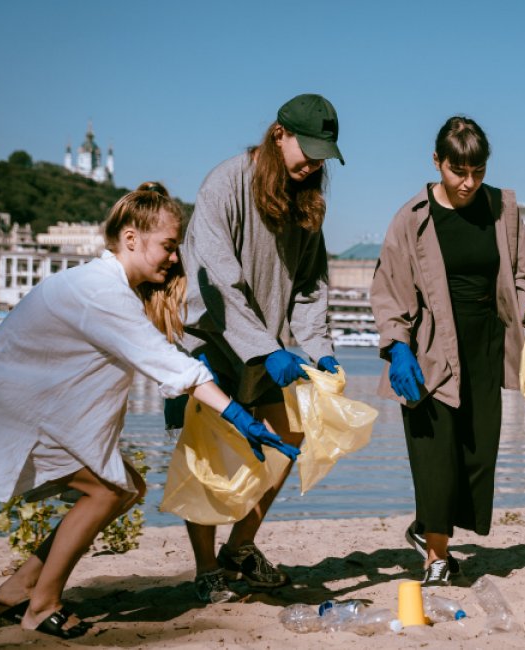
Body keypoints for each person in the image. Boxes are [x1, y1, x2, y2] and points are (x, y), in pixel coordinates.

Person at [0, 184, 296, 639]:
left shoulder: (109, 287)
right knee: (107, 491)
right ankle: (40, 605)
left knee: (127, 487)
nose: (173, 258)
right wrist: (241, 418)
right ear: (131, 239)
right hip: (1, 411)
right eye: (168, 246)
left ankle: (18, 588)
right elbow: (170, 365)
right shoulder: (99, 290)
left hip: (13, 405)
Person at [173, 93, 344, 604]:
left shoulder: (309, 199)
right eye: (306, 149)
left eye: (322, 154)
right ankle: (206, 569)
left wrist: (320, 347)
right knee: (209, 458)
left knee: (288, 436)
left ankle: (240, 547)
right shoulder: (224, 184)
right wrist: (264, 347)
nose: (313, 162)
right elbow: (218, 278)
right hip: (210, 341)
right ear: (278, 135)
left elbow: (311, 284)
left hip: (267, 345)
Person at [370, 115, 525, 587]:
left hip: (486, 346)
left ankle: (424, 530)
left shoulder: (502, 208)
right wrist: (397, 347)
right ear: (437, 162)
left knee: (475, 454)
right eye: (458, 172)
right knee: (436, 454)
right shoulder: (411, 217)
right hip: (429, 347)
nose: (468, 183)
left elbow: (523, 276)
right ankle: (436, 556)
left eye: (477, 172)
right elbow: (389, 288)